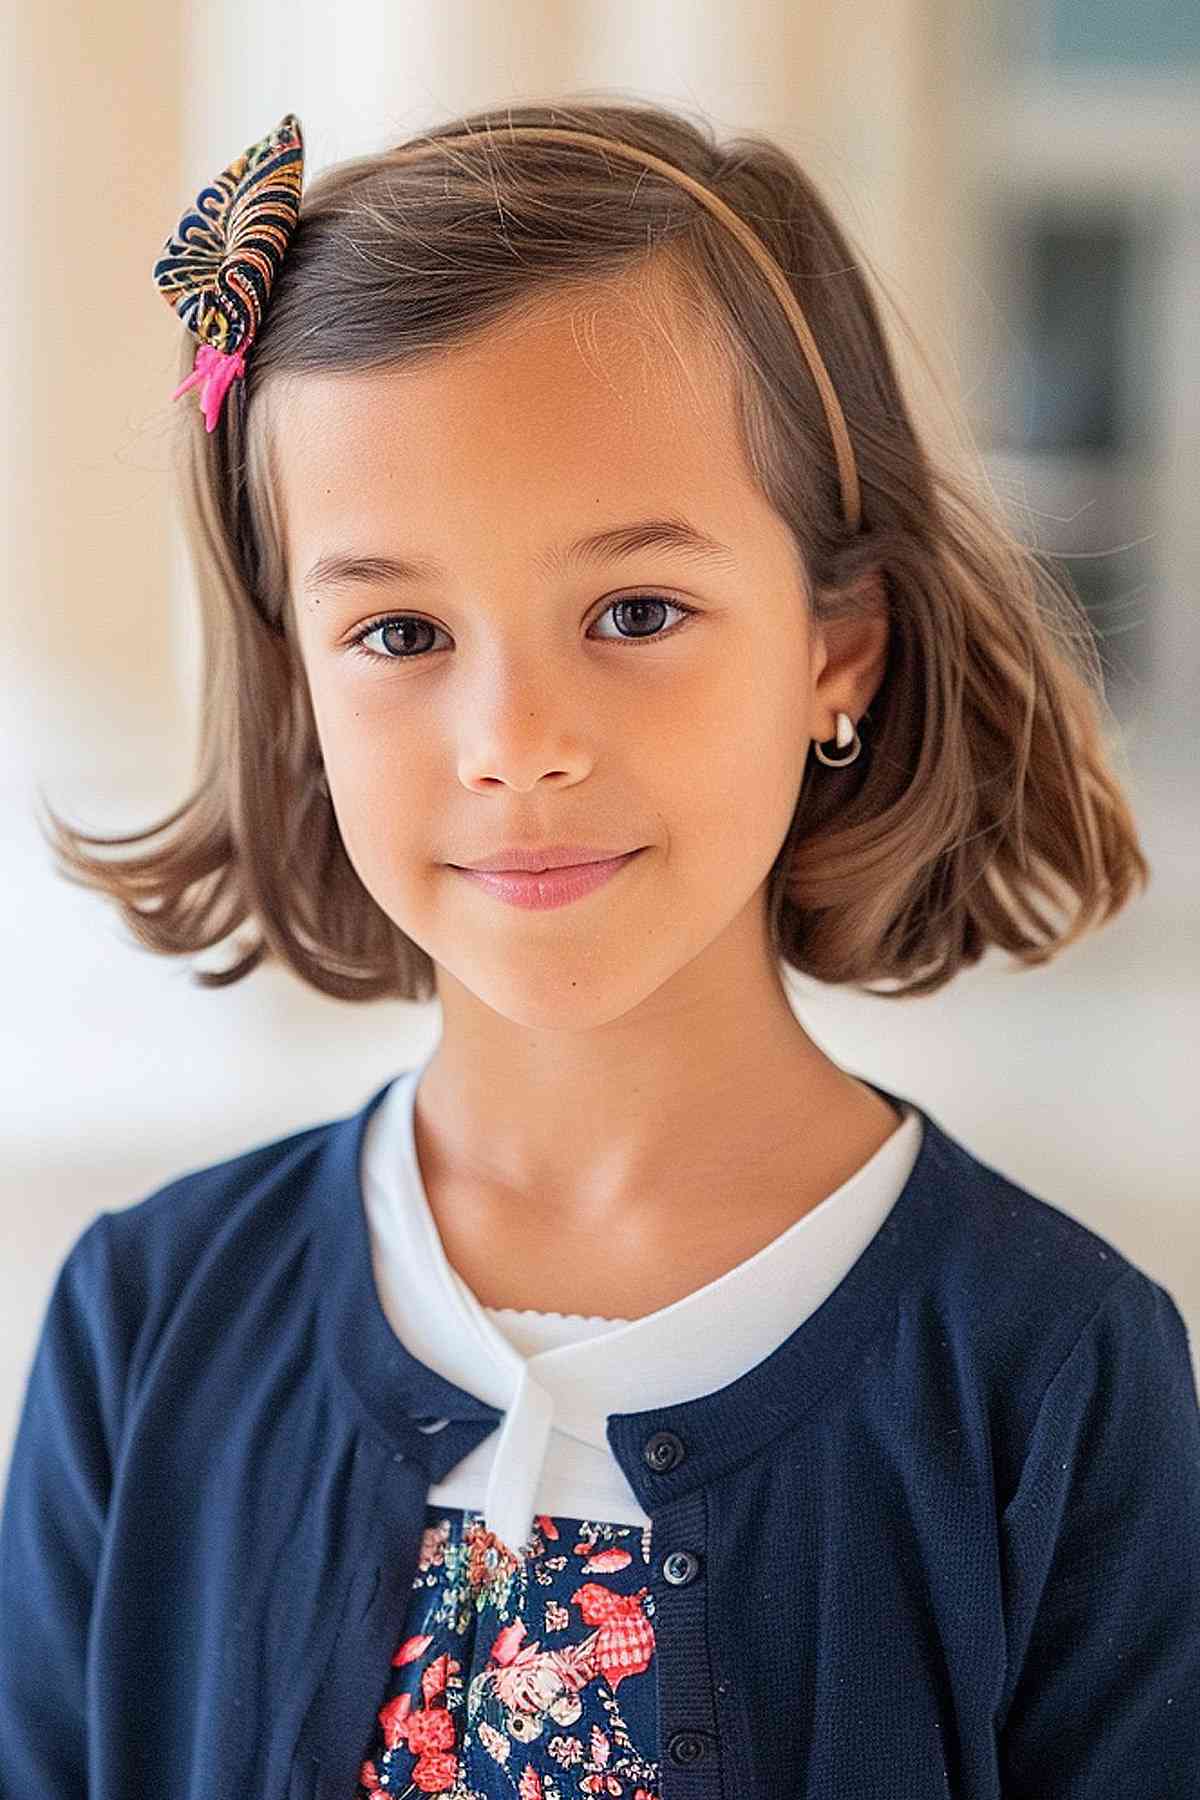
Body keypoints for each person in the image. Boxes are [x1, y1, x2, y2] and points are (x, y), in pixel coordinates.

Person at [1, 99, 1196, 1799]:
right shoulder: (144, 1320)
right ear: (297, 685)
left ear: (836, 651)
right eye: (399, 630)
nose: (515, 741)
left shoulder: (1054, 1375)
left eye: (636, 613)